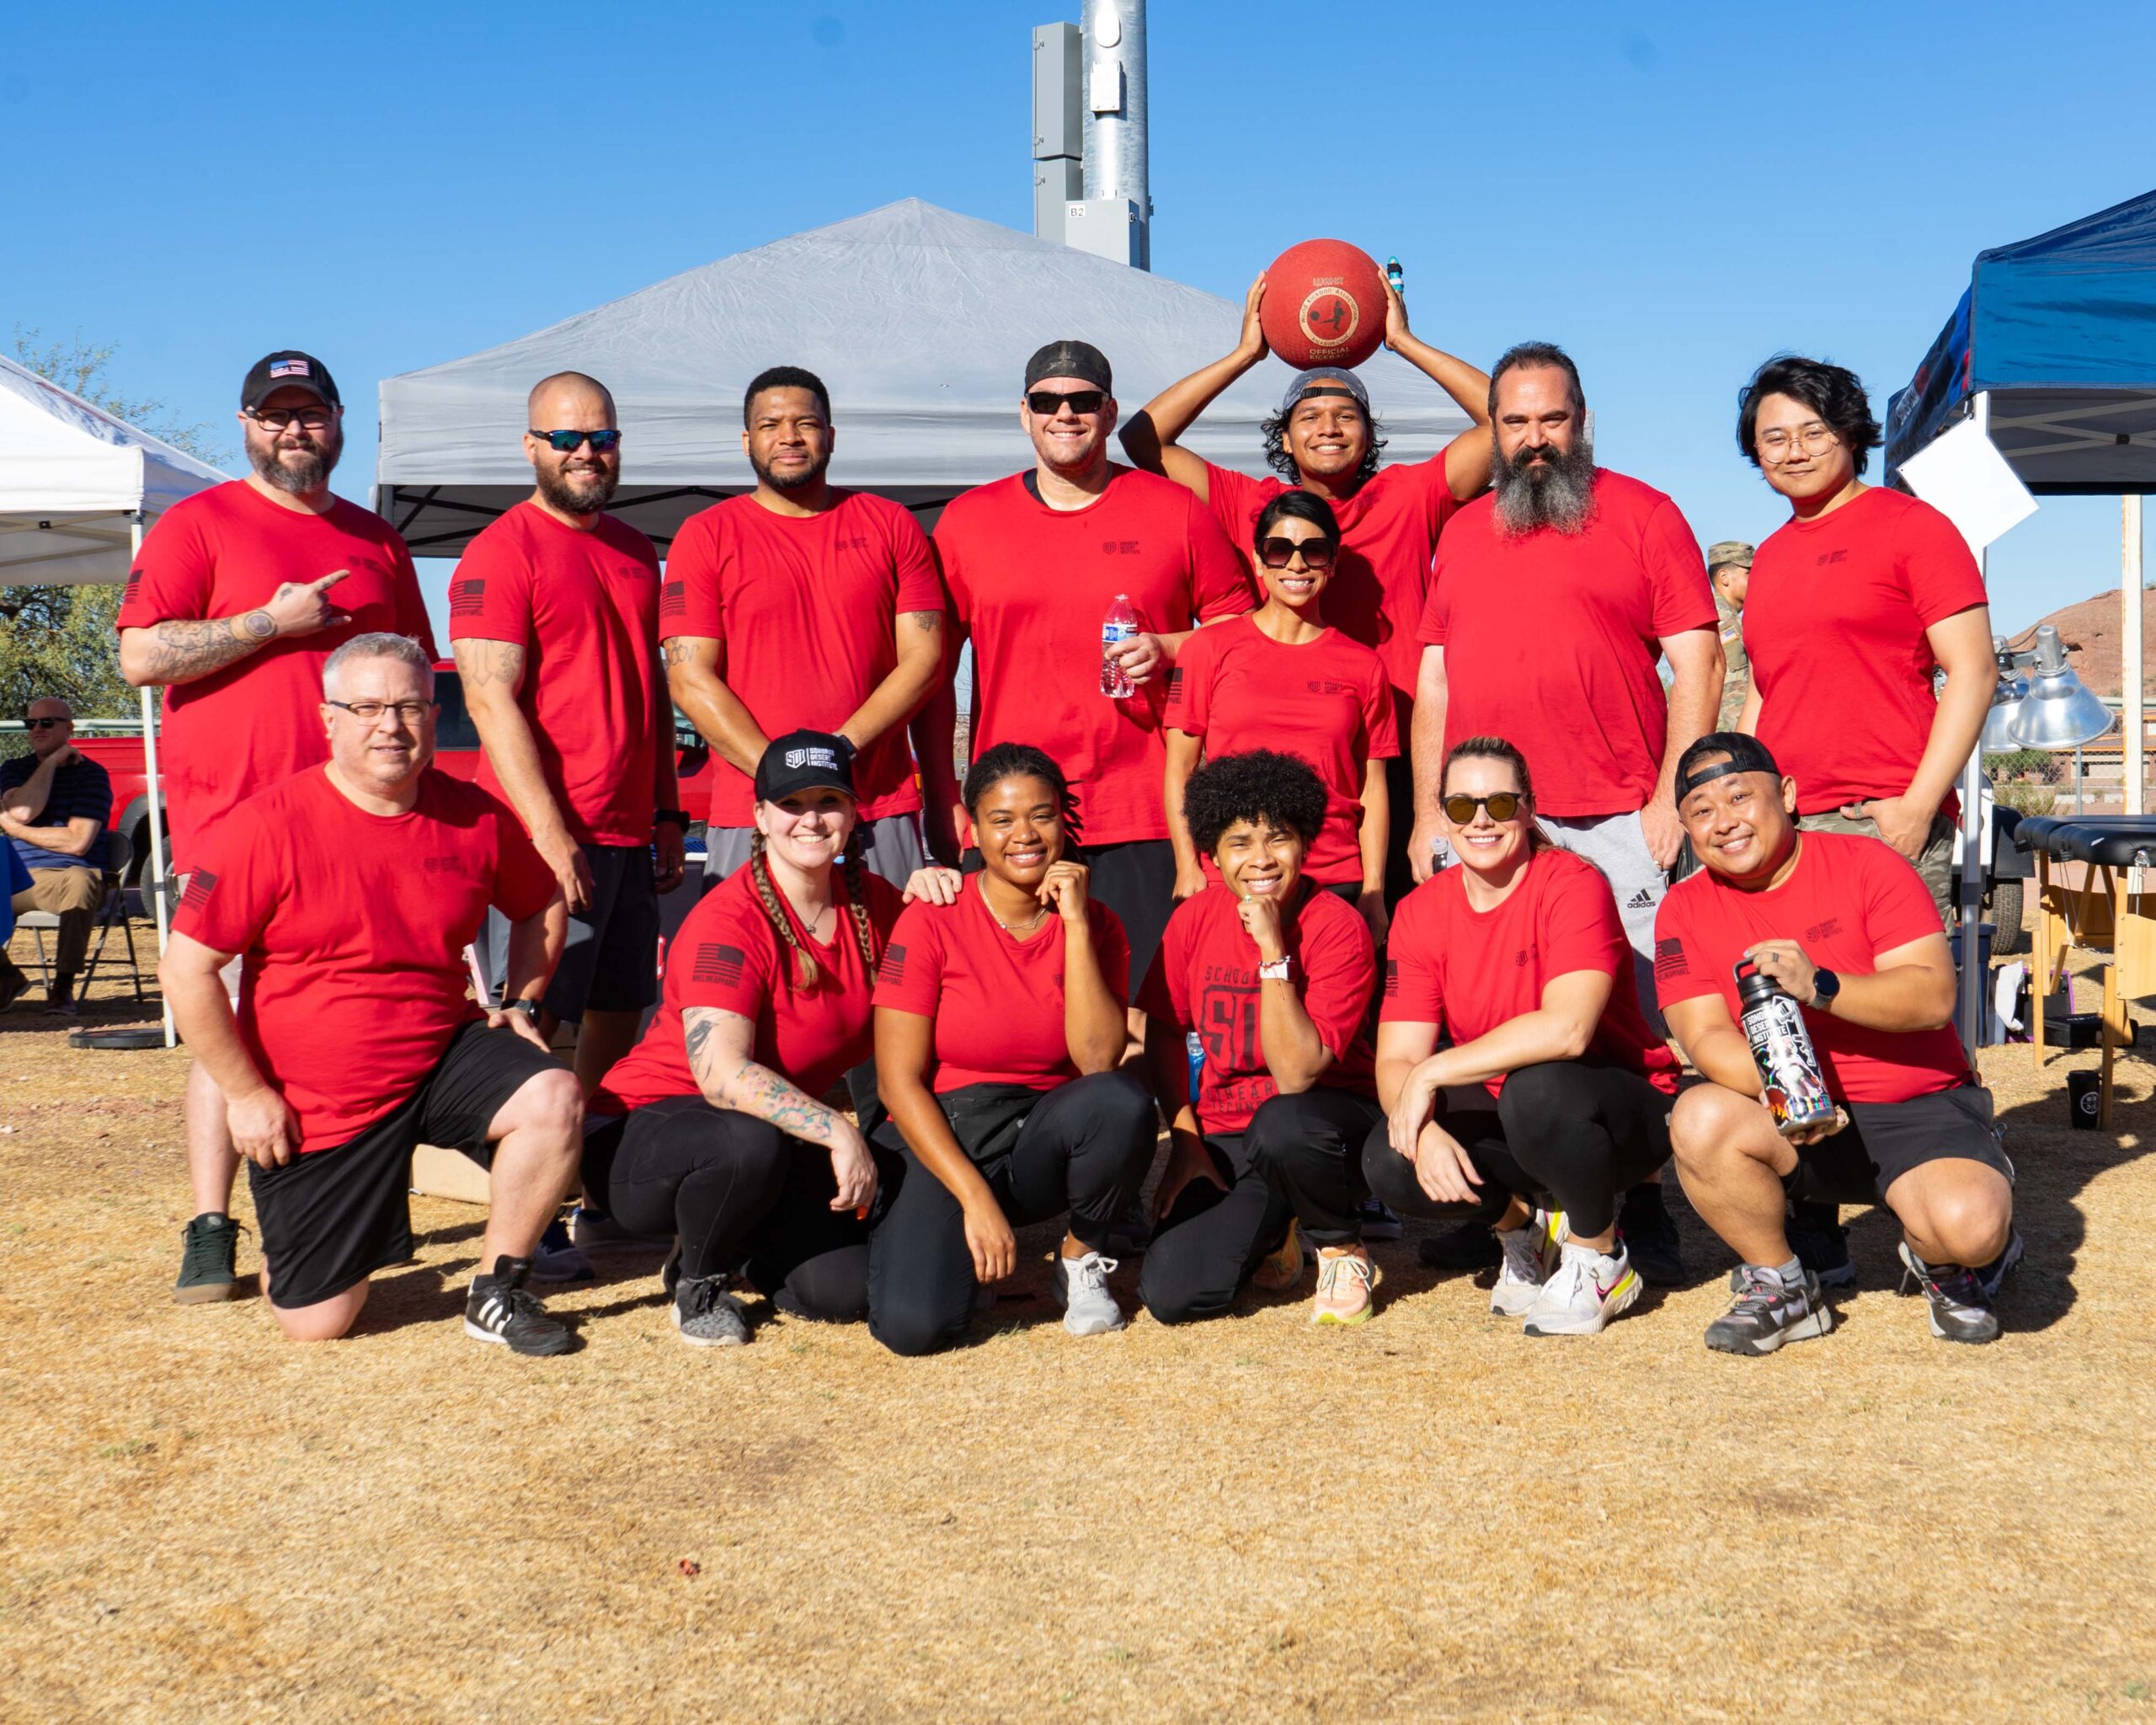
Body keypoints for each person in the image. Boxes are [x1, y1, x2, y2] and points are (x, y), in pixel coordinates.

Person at [115, 350, 436, 1306]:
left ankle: (371, 1202)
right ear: (247, 424)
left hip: (368, 824)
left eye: (311, 413)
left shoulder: (379, 540)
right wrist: (270, 622)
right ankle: (213, 1224)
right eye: (275, 414)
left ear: (340, 422)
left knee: (377, 1006)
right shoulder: (198, 523)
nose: (294, 430)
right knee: (232, 1017)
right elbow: (140, 653)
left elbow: (416, 668)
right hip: (238, 817)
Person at [161, 634, 580, 1353]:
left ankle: (498, 1290)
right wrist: (247, 1095)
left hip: (438, 1055)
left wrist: (523, 1000)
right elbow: (186, 970)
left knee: (554, 1095)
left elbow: (543, 902)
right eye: (368, 707)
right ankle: (289, 1234)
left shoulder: (473, 815)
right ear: (328, 719)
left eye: (411, 706)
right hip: (322, 1101)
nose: (391, 725)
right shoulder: (265, 827)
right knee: (316, 1323)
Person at [1411, 340, 1717, 1281]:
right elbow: (1434, 683)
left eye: (1552, 419)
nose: (1534, 438)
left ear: (1581, 420)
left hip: (1618, 814)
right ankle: (1505, 1198)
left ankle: (1643, 1200)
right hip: (1486, 820)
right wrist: (1430, 810)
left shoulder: (1643, 513)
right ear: (1493, 431)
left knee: (1637, 1022)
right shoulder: (1462, 532)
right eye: (1515, 422)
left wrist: (1670, 792)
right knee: (1489, 1016)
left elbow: (1697, 660)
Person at [1123, 271, 1492, 905]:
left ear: (1369, 434)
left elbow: (1505, 419)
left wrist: (1401, 341)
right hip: (1290, 762)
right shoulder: (1254, 502)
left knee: (1394, 932)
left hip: (1396, 756)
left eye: (1347, 415)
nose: (1329, 426)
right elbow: (1140, 440)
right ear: (1285, 437)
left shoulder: (1406, 493)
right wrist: (1246, 354)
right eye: (1310, 416)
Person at [1655, 734, 2020, 1354]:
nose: (1724, 823)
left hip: (1916, 1106)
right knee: (1699, 1115)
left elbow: (1933, 999)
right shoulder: (1682, 909)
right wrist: (1793, 1093)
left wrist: (1820, 985)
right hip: (1794, 1115)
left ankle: (1947, 1262)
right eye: (1702, 811)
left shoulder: (1869, 865)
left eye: (1739, 797)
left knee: (1967, 1228)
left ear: (1788, 795)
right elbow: (1704, 1036)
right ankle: (1782, 1284)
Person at [924, 340, 1253, 1012]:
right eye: (1048, 402)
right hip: (1014, 816)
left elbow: (1244, 632)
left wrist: (1169, 645)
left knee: (1145, 1014)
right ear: (1024, 414)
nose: (1065, 415)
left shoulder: (1174, 509)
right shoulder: (967, 522)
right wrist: (943, 800)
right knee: (1020, 1015)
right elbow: (928, 678)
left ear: (1109, 412)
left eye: (1082, 402)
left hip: (1145, 810)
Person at [584, 732, 918, 1345]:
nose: (811, 820)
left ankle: (746, 1246)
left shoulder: (879, 906)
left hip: (770, 1139)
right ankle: (698, 1281)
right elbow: (722, 1076)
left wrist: (944, 893)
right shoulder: (730, 920)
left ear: (854, 811)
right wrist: (839, 1129)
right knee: (746, 1140)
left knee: (842, 1292)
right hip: (642, 1136)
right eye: (792, 805)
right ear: (761, 817)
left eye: (829, 801)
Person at [1358, 736, 1681, 1335]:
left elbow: (1569, 1030)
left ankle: (1597, 1255)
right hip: (1518, 1109)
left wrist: (1433, 1072)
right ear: (1442, 817)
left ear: (1529, 810)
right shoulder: (1421, 911)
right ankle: (1521, 1235)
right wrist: (1421, 1125)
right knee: (1390, 1156)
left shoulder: (1573, 882)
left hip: (1618, 1111)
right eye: (1461, 807)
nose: (1481, 820)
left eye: (1500, 805)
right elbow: (1399, 1056)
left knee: (1539, 1089)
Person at [867, 744, 1158, 1355]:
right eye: (1002, 820)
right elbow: (896, 1084)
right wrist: (973, 1197)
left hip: (1040, 1131)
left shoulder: (1099, 923)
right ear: (974, 831)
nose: (1024, 834)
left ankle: (1080, 1259)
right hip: (948, 1130)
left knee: (1120, 1099)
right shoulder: (932, 917)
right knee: (915, 1329)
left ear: (1063, 822)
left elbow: (1099, 1061)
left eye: (1042, 814)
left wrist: (1075, 925)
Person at [449, 371, 684, 1103]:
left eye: (602, 437)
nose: (587, 451)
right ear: (531, 447)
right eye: (566, 438)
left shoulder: (635, 550)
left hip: (624, 832)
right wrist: (550, 835)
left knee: (620, 1007)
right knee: (533, 1017)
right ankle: (519, 1179)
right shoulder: (500, 550)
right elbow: (490, 702)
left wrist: (667, 813)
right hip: (544, 836)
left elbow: (651, 693)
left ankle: (592, 1155)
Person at [663, 366, 947, 888]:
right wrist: (785, 776)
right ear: (747, 440)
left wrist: (839, 754)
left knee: (889, 966)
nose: (789, 437)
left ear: (831, 436)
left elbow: (925, 661)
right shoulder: (705, 536)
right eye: (771, 425)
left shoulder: (891, 524)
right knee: (754, 967)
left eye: (805, 423)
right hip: (754, 806)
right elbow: (689, 678)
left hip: (877, 808)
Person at [1734, 356, 1992, 917]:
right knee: (1792, 1001)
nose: (1794, 451)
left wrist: (1919, 807)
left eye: (1813, 432)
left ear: (1850, 434)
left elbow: (1975, 671)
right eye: (1774, 438)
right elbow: (1764, 687)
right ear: (1756, 453)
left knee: (1897, 1001)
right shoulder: (1771, 555)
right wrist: (1743, 798)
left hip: (1880, 815)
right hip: (1786, 825)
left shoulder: (1915, 528)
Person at [1137, 751, 1382, 1327]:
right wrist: (1186, 1140)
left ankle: (1341, 1244)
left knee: (1283, 1122)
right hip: (1229, 1130)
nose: (1261, 859)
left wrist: (1274, 951)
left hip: (1323, 1127)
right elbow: (1166, 1031)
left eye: (1279, 838)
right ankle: (1279, 1231)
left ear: (1306, 842)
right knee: (1174, 1294)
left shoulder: (1336, 926)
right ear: (1213, 855)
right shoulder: (1194, 919)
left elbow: (1298, 1073)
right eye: (1239, 842)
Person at [1164, 494, 1397, 945]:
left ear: (1331, 563)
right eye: (1279, 550)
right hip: (1234, 877)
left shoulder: (1364, 666)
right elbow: (1180, 768)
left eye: (1313, 551)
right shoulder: (1208, 649)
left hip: (1333, 878)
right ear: (1258, 561)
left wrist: (1374, 890)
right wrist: (1187, 865)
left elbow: (1372, 787)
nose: (1296, 565)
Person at [0, 697, 112, 1014]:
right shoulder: (14, 769)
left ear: (69, 728)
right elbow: (23, 810)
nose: (37, 729)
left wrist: (13, 828)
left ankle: (63, 986)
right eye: (30, 723)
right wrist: (50, 763)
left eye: (47, 723)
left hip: (68, 874)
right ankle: (6, 975)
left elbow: (78, 842)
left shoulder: (91, 775)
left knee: (80, 881)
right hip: (18, 876)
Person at [1706, 541, 1754, 733]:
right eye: (1749, 573)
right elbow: (1733, 689)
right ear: (1724, 577)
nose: (1758, 579)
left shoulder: (1725, 615)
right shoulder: (1722, 618)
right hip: (1732, 739)